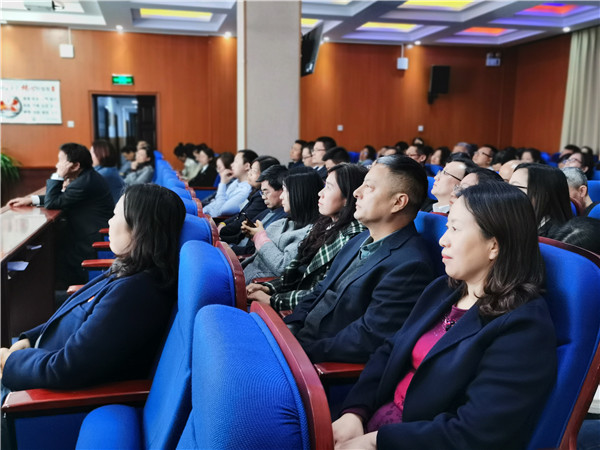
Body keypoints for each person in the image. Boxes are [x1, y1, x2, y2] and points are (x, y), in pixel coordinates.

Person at [332, 182, 557, 450]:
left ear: (494, 245)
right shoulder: (442, 290)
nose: (443, 239)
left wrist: (375, 441)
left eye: (455, 229)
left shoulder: (523, 326)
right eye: (447, 227)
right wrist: (355, 412)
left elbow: (478, 432)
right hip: (376, 424)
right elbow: (389, 351)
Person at [1, 184, 186, 391]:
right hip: (37, 358)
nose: (109, 221)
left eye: (115, 215)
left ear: (139, 228)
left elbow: (66, 369)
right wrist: (31, 339)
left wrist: (11, 362)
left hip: (41, 389)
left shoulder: (136, 293)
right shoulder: (129, 270)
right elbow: (75, 316)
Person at [284, 156, 436, 364]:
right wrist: (290, 327)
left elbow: (367, 337)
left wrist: (300, 352)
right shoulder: (359, 238)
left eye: (369, 187)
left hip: (318, 361)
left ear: (398, 202)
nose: (356, 192)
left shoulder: (411, 265)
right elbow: (321, 290)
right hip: (299, 342)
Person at [246, 164, 367, 312]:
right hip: (291, 301)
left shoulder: (353, 237)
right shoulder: (323, 224)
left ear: (348, 196)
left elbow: (322, 291)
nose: (320, 193)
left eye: (328, 187)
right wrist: (268, 288)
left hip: (304, 313)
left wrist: (273, 300)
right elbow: (296, 272)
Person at [7, 143, 114, 289]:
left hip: (90, 241)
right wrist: (32, 199)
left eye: (61, 161)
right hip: (86, 235)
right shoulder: (86, 177)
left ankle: (57, 295)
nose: (57, 165)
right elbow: (61, 198)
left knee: (52, 254)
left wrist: (58, 175)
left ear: (75, 166)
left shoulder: (84, 182)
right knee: (54, 250)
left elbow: (52, 202)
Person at [242, 170, 322, 283]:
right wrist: (254, 235)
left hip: (256, 284)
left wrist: (259, 236)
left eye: (285, 190)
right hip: (243, 274)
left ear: (299, 194)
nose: (281, 196)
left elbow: (283, 267)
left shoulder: (310, 232)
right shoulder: (283, 223)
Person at [219, 156, 280, 245]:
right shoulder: (255, 192)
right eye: (250, 169)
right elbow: (240, 215)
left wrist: (220, 232)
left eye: (254, 171)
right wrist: (223, 224)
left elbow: (243, 221)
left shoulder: (262, 199)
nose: (249, 173)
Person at [510, 163, 572, 237]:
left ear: (542, 194)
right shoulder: (519, 221)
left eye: (515, 187)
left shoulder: (557, 237)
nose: (507, 192)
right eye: (508, 185)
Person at [204, 149, 258, 217]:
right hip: (207, 216)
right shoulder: (236, 181)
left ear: (246, 166)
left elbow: (222, 211)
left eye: (236, 161)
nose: (232, 165)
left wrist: (223, 183)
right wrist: (204, 211)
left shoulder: (246, 190)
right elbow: (215, 203)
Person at [91, 139, 125, 203]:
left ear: (103, 154)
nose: (89, 156)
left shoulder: (104, 174)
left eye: (92, 153)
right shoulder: (107, 170)